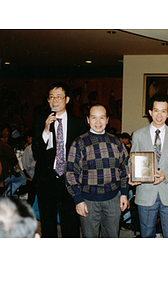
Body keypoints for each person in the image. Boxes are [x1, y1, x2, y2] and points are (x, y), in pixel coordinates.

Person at [65, 104, 129, 238]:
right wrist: (78, 200)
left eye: (102, 118)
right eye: (94, 118)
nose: (98, 122)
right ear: (88, 120)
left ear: (107, 120)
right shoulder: (79, 143)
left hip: (113, 200)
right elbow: (70, 173)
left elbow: (124, 169)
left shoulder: (116, 142)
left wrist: (124, 193)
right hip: (88, 201)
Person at [32, 82, 87, 238]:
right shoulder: (40, 120)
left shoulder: (78, 123)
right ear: (48, 101)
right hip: (46, 179)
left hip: (69, 179)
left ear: (67, 99)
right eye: (51, 97)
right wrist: (46, 131)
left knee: (70, 223)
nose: (55, 100)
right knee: (48, 223)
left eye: (58, 97)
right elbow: (37, 151)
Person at [129, 93, 168, 238]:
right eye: (156, 110)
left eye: (163, 111)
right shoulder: (138, 135)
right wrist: (132, 174)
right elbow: (132, 160)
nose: (159, 115)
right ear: (150, 112)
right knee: (146, 235)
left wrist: (165, 174)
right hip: (145, 193)